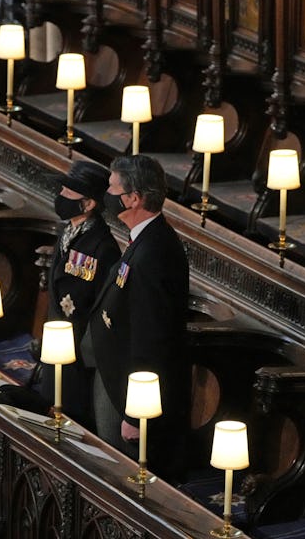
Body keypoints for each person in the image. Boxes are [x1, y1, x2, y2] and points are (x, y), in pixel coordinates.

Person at [80, 154, 189, 482]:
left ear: (134, 198)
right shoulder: (144, 239)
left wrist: (134, 414)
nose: (107, 194)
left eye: (113, 188)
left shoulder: (154, 252)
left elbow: (150, 338)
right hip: (115, 375)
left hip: (127, 389)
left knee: (122, 472)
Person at [0, 161, 121, 429]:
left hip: (76, 351)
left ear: (88, 204)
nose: (61, 197)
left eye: (68, 193)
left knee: (70, 417)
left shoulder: (103, 247)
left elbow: (101, 307)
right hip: (56, 342)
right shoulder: (69, 232)